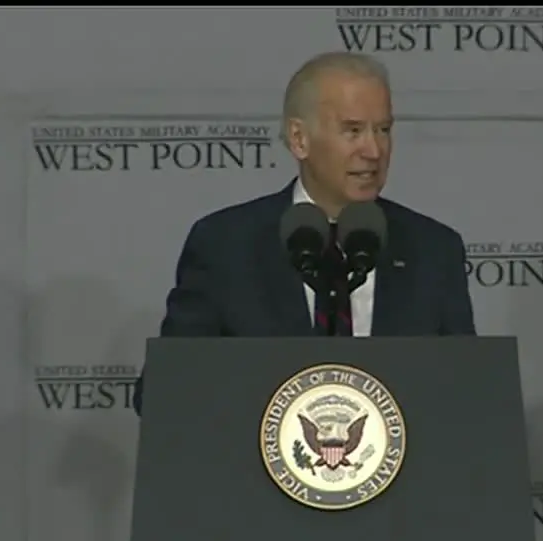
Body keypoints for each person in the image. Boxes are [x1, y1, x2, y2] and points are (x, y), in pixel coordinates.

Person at [133, 51, 475, 416]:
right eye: (353, 130)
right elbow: (163, 393)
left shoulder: (433, 249)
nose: (374, 150)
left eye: (384, 130)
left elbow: (468, 393)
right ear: (299, 139)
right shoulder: (225, 246)